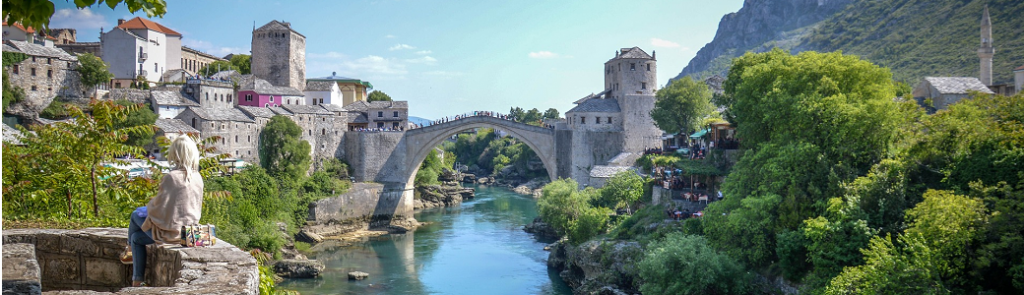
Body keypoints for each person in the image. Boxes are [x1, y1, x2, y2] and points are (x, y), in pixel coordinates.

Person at [122, 135, 204, 287]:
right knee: (136, 238)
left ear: (175, 153)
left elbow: (157, 209)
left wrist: (149, 208)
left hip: (171, 233)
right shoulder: (198, 177)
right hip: (189, 232)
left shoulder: (171, 178)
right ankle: (136, 282)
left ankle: (128, 251)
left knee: (135, 214)